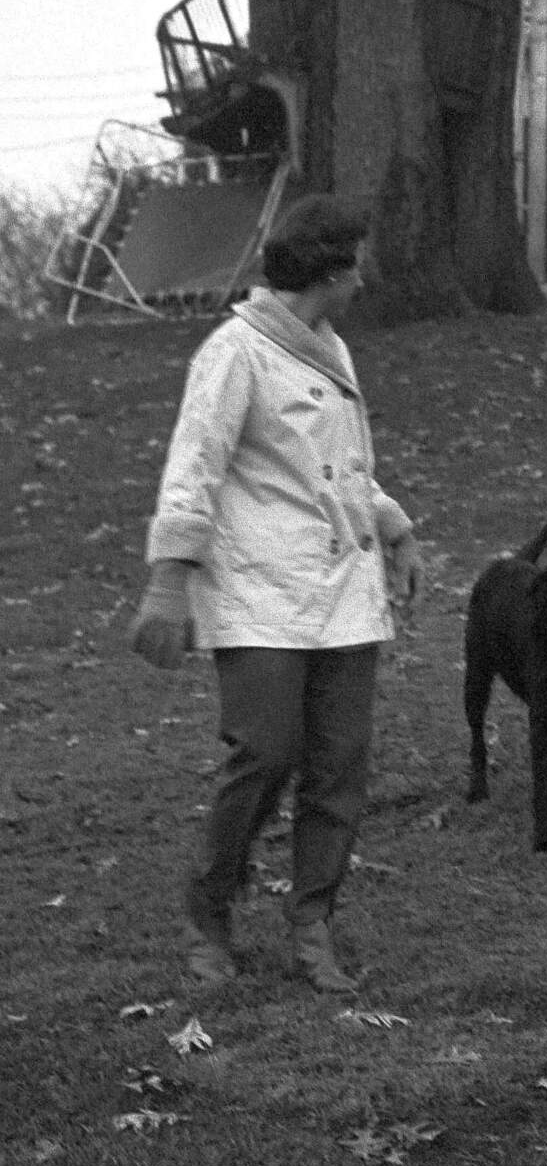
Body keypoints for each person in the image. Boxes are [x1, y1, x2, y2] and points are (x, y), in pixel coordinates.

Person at [130, 196, 422, 993]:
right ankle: (208, 907)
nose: (362, 280)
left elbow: (344, 469)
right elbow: (194, 465)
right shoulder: (234, 353)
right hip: (260, 591)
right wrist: (169, 578)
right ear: (328, 270)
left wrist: (393, 527)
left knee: (339, 766)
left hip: (344, 592)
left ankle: (312, 922)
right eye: (355, 264)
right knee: (265, 752)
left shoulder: (332, 348)